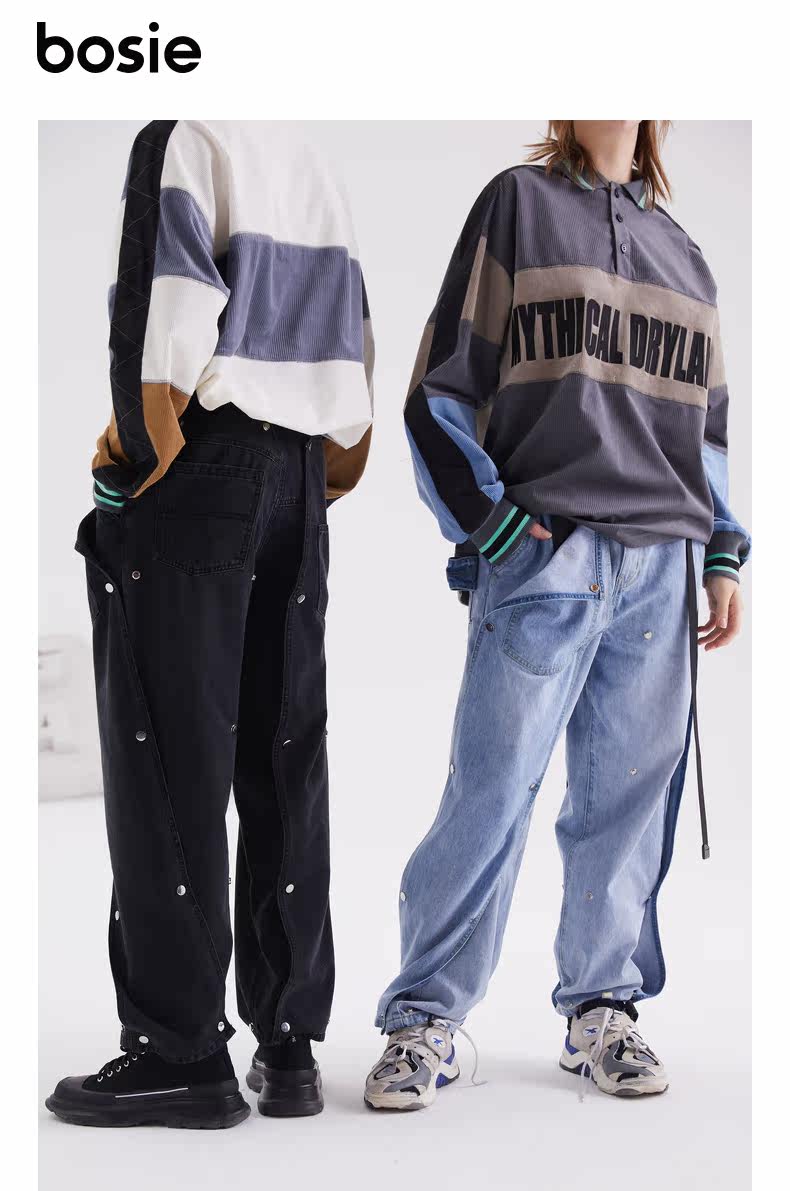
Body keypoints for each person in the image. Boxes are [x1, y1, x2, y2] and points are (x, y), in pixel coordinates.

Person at [364, 120, 748, 1110]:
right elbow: (440, 383)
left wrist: (721, 550)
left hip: (661, 566)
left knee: (627, 800)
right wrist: (487, 521)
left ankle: (602, 1007)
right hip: (548, 553)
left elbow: (706, 432)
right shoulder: (518, 205)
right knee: (491, 789)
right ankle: (424, 1016)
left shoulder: (686, 256)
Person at [46, 120, 374, 1128]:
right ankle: (289, 1043)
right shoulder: (310, 153)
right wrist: (308, 479)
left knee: (167, 755)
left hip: (202, 462)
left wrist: (130, 460)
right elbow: (352, 333)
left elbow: (168, 308)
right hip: (301, 476)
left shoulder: (186, 132)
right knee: (284, 758)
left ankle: (178, 1049)